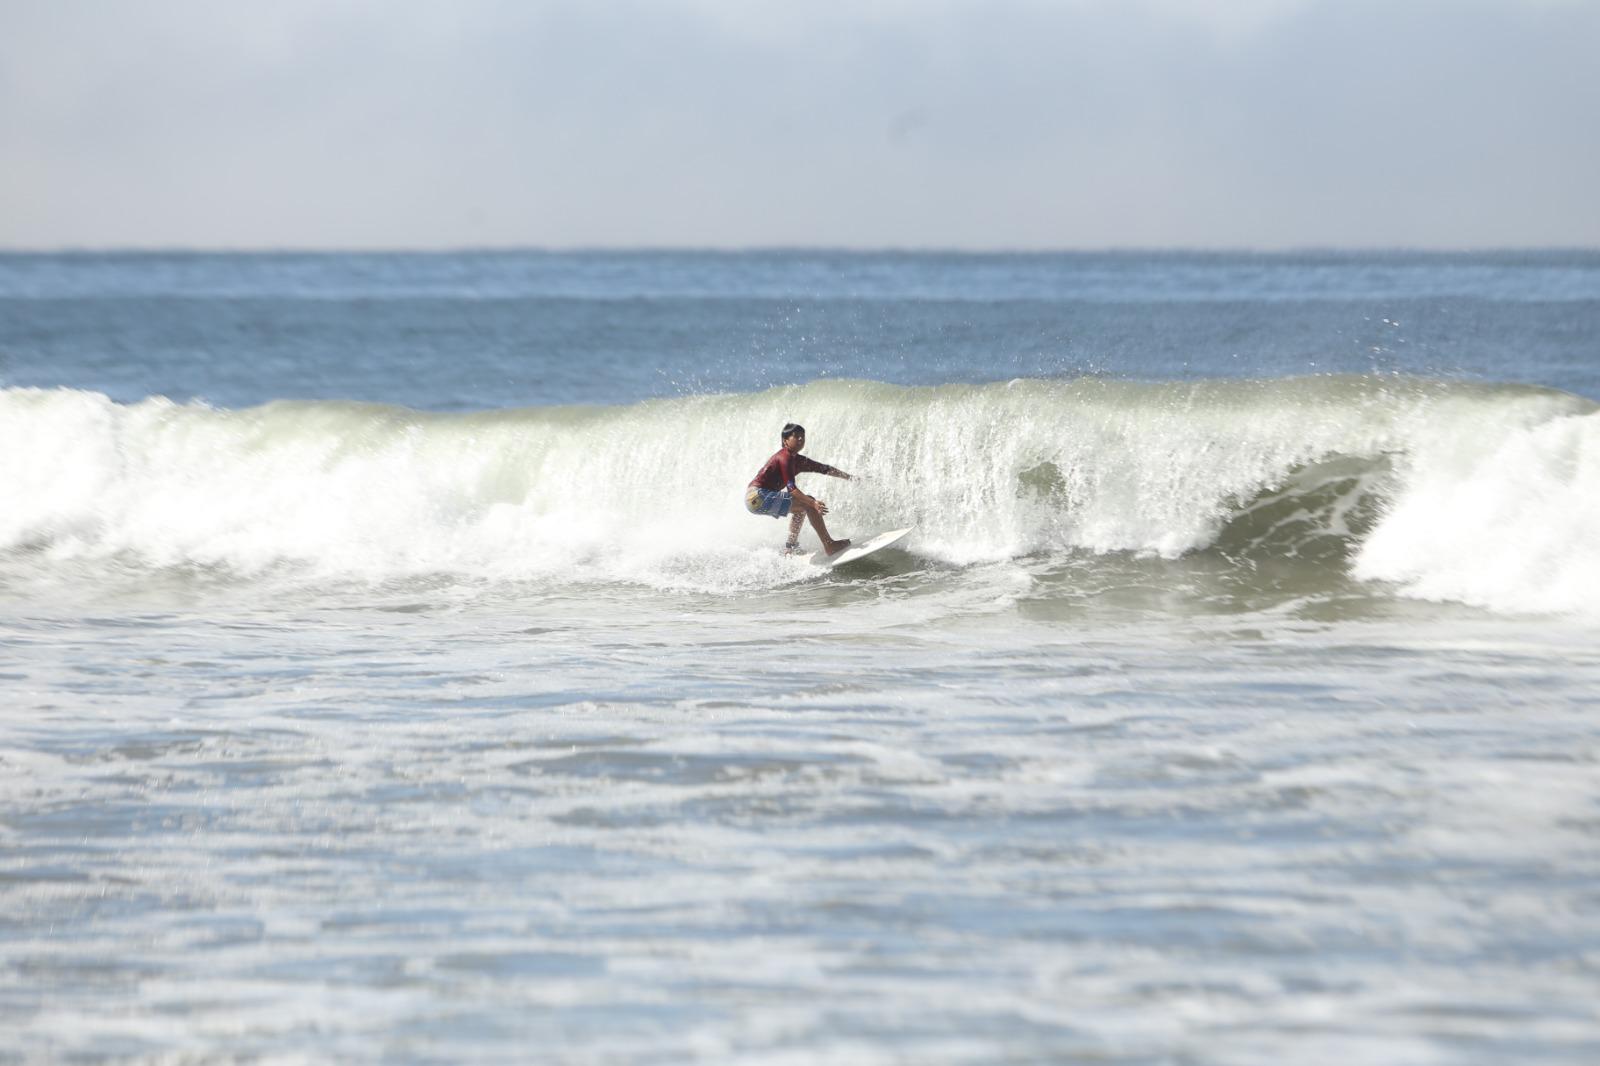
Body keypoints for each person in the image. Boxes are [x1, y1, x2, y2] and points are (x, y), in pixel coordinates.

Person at [746, 423, 853, 556]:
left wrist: (850, 477)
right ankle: (829, 544)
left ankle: (790, 547)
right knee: (809, 503)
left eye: (802, 436)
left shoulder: (798, 460)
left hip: (754, 500)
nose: (801, 439)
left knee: (801, 507)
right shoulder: (785, 457)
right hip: (757, 496)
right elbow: (791, 489)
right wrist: (813, 503)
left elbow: (825, 469)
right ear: (785, 441)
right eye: (796, 436)